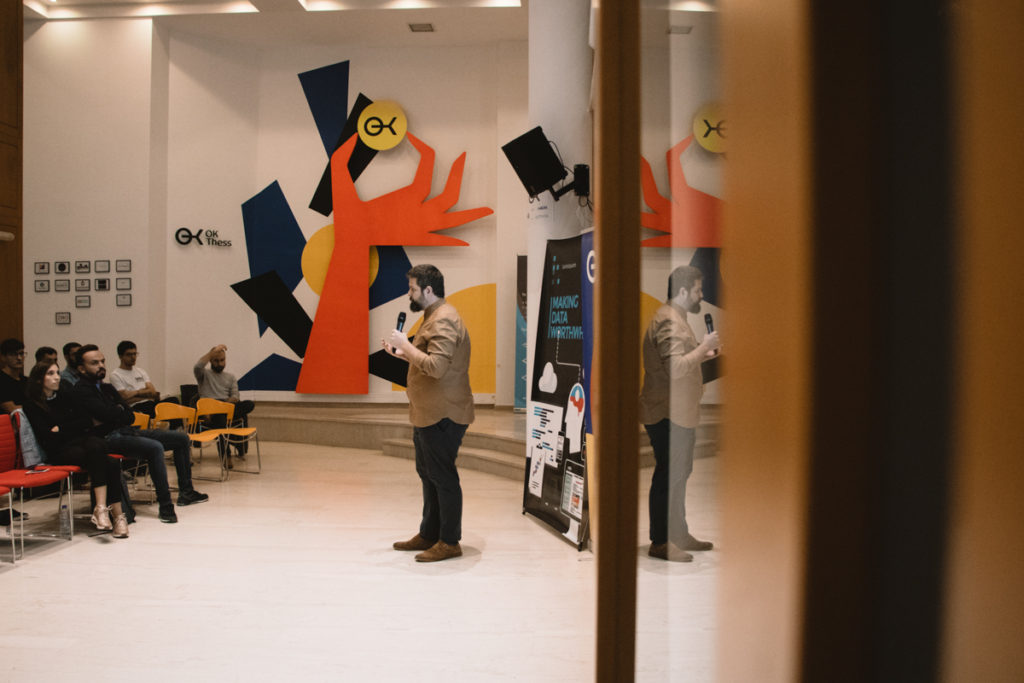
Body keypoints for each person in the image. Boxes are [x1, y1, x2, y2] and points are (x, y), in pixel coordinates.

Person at [383, 264, 474, 563]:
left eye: (412, 289)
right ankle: (429, 533)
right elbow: (428, 358)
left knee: (442, 477)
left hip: (443, 414)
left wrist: (406, 345)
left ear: (428, 290)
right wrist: (403, 352)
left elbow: (436, 368)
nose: (409, 294)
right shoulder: (433, 316)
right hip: (428, 413)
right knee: (428, 474)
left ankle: (449, 541)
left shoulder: (444, 319)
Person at [71, 345, 208, 524]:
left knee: (181, 438)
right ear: (82, 368)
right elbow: (107, 414)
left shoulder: (107, 388)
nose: (101, 366)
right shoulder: (80, 390)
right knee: (155, 447)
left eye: (102, 361)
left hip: (126, 430)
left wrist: (114, 412)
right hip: (106, 438)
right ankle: (166, 506)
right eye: (94, 363)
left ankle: (187, 492)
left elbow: (129, 415)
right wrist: (116, 411)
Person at [639, 265, 722, 562]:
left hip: (678, 414)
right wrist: (704, 348)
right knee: (668, 475)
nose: (701, 295)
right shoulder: (668, 321)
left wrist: (702, 352)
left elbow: (678, 359)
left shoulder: (676, 318)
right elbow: (675, 368)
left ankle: (678, 533)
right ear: (683, 291)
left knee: (679, 474)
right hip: (666, 415)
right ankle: (660, 541)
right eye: (698, 290)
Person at [23, 361, 129, 538]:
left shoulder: (64, 396)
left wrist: (60, 428)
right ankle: (117, 516)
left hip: (80, 443)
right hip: (58, 451)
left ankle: (102, 508)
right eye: (50, 373)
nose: (57, 377)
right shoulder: (32, 404)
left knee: (100, 450)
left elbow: (86, 422)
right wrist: (70, 428)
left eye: (57, 372)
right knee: (106, 459)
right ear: (39, 379)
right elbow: (48, 437)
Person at [193, 344, 254, 456]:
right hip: (209, 408)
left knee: (249, 404)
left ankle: (235, 446)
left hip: (226, 407)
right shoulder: (204, 375)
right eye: (216, 361)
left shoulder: (230, 377)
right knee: (219, 417)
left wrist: (223, 405)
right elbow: (197, 366)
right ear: (210, 361)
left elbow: (235, 396)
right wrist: (212, 352)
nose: (220, 363)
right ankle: (226, 455)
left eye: (222, 360)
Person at [108, 340, 177, 417]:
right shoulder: (115, 375)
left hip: (150, 403)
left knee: (173, 400)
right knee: (155, 409)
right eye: (129, 354)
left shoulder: (140, 371)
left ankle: (175, 425)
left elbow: (152, 391)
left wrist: (134, 394)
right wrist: (145, 394)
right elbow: (124, 397)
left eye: (135, 354)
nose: (133, 357)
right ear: (120, 356)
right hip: (135, 408)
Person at [0, 338, 27, 414]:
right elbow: (12, 409)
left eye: (21, 353)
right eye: (13, 354)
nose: (19, 358)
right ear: (3, 357)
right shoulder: (2, 380)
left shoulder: (26, 381)